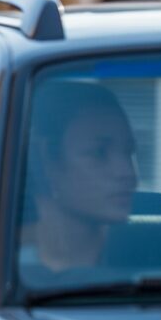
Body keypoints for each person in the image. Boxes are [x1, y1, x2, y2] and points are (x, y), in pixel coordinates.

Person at [19, 80, 138, 279]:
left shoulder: (156, 270)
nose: (127, 172)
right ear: (47, 160)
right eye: (99, 153)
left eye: (129, 152)